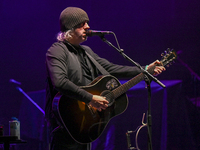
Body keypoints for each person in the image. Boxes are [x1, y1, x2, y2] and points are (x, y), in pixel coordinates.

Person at [45, 7, 165, 150]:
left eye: (87, 23)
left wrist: (145, 69)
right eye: (82, 23)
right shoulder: (57, 51)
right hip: (66, 122)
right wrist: (90, 98)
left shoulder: (86, 51)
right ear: (70, 27)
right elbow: (60, 82)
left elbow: (112, 68)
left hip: (86, 122)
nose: (88, 27)